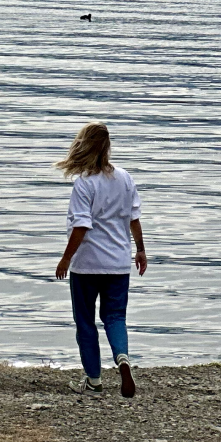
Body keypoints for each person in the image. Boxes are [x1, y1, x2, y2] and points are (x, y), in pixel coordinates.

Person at [54, 122, 147, 396]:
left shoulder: (84, 184)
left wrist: (65, 259)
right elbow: (134, 219)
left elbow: (82, 226)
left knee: (85, 321)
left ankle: (93, 380)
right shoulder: (125, 178)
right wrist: (140, 250)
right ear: (107, 146)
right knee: (115, 317)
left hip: (88, 265)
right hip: (118, 263)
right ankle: (123, 359)